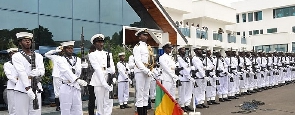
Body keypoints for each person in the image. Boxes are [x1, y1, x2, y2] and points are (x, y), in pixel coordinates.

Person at [12, 32, 45, 115]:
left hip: (36, 87)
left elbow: (42, 70)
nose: (28, 42)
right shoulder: (16, 56)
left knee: (36, 112)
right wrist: (28, 88)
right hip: (22, 89)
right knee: (21, 113)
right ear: (20, 43)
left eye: (29, 40)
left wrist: (38, 72)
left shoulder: (38, 56)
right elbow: (21, 72)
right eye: (25, 40)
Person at [56, 41, 88, 115]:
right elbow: (66, 71)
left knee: (78, 109)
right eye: (68, 48)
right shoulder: (60, 60)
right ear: (64, 50)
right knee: (66, 109)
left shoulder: (78, 60)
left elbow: (81, 73)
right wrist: (77, 80)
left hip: (76, 87)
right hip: (66, 86)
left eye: (71, 48)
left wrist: (85, 68)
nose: (70, 50)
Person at [88, 34, 115, 115]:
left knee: (109, 102)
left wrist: (112, 74)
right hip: (99, 82)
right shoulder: (92, 55)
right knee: (100, 103)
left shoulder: (108, 54)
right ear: (94, 44)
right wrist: (104, 83)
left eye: (102, 42)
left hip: (108, 79)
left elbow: (113, 67)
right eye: (98, 42)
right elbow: (98, 69)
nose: (101, 44)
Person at [133, 29, 154, 115]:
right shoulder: (137, 47)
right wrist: (146, 71)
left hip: (148, 71)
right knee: (140, 94)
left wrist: (151, 70)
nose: (146, 36)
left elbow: (151, 60)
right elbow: (138, 61)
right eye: (143, 35)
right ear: (139, 36)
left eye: (146, 35)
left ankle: (145, 113)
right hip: (140, 71)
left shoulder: (148, 47)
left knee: (146, 94)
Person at [44, 46, 63, 111]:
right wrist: (55, 51)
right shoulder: (55, 57)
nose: (61, 52)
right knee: (57, 92)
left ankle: (64, 105)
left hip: (65, 76)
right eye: (60, 50)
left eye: (62, 50)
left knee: (65, 91)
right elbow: (46, 54)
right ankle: (58, 106)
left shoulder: (67, 58)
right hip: (57, 76)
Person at [177, 47, 194, 112]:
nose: (184, 51)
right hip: (183, 78)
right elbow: (184, 68)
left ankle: (187, 104)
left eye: (184, 50)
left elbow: (189, 67)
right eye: (182, 50)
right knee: (182, 93)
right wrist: (189, 76)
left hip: (189, 77)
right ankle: (182, 105)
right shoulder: (179, 58)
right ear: (179, 51)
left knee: (188, 92)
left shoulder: (187, 58)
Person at [4, 48, 18, 115]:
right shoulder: (7, 64)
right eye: (12, 53)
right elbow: (9, 76)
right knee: (12, 106)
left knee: (20, 106)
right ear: (10, 55)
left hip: (21, 87)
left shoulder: (20, 63)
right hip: (12, 87)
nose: (14, 54)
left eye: (15, 53)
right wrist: (17, 82)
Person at [84, 45, 96, 115]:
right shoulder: (85, 58)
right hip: (90, 80)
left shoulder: (96, 57)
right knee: (92, 98)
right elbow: (85, 70)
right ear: (91, 50)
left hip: (97, 80)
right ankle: (91, 113)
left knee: (97, 98)